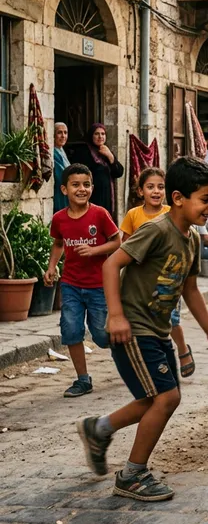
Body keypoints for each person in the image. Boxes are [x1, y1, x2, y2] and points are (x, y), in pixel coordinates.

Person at [77, 157, 208, 502]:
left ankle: (98, 428)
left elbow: (189, 290)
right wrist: (115, 316)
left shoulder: (191, 239)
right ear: (178, 198)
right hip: (133, 329)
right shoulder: (156, 230)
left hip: (158, 331)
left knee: (152, 398)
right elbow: (110, 263)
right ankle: (132, 474)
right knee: (167, 397)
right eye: (205, 199)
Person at [44, 164, 120, 398]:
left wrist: (96, 250)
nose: (81, 189)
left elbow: (117, 242)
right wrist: (52, 266)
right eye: (75, 185)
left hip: (98, 285)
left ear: (92, 188)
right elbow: (58, 243)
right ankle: (83, 380)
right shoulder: (59, 218)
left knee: (100, 335)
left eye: (86, 185)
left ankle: (130, 353)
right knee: (72, 330)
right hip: (71, 284)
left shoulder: (99, 214)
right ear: (64, 189)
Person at [120, 167, 195, 379]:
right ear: (140, 191)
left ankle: (182, 349)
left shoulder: (171, 213)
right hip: (142, 283)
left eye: (160, 187)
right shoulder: (133, 215)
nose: (155, 191)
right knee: (145, 324)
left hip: (169, 279)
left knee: (171, 320)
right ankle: (153, 360)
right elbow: (125, 244)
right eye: (150, 187)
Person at [81, 123, 124, 218]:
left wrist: (110, 156)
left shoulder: (106, 152)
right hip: (93, 195)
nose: (100, 136)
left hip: (107, 196)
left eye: (103, 134)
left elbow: (119, 172)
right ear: (91, 136)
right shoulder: (84, 151)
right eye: (96, 134)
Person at [53, 122, 70, 213]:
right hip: (59, 192)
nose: (63, 136)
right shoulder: (53, 152)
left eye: (65, 132)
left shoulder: (61, 150)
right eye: (59, 132)